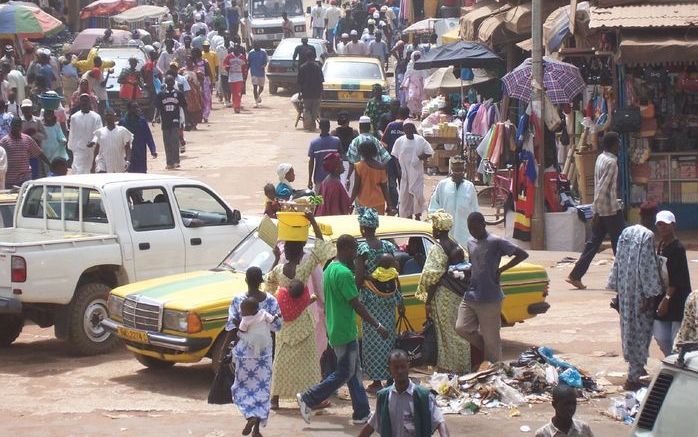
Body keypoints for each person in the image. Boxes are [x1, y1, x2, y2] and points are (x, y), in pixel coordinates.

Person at [297, 234, 389, 425]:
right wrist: (378, 325)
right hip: (344, 330)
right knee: (344, 372)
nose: (356, 254)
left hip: (336, 327)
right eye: (354, 249)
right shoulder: (344, 274)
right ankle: (308, 398)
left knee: (354, 372)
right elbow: (357, 305)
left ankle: (361, 413)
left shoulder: (331, 268)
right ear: (345, 249)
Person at [266, 213, 335, 410]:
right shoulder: (305, 267)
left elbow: (268, 284)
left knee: (281, 358)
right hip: (304, 320)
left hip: (284, 321)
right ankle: (313, 398)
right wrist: (313, 222)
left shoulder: (279, 270)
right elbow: (321, 247)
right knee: (309, 362)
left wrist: (275, 258)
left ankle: (275, 398)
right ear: (300, 250)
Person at [455, 212, 528, 366]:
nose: (473, 232)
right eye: (470, 229)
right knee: (461, 327)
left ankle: (495, 372)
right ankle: (486, 348)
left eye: (475, 228)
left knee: (492, 343)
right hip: (471, 295)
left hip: (490, 298)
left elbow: (522, 254)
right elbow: (473, 263)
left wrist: (501, 270)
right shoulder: (470, 242)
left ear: (484, 225)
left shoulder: (496, 241)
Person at [607, 203, 663, 391]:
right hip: (640, 292)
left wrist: (617, 291)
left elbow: (617, 262)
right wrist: (650, 295)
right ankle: (633, 376)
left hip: (625, 290)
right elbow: (646, 267)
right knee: (641, 332)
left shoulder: (626, 233)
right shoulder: (648, 236)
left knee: (628, 329)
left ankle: (635, 369)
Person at [225, 267, 282, 437]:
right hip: (264, 354)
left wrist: (224, 351)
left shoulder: (238, 300)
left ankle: (249, 415)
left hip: (244, 354)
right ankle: (256, 429)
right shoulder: (271, 301)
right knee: (262, 390)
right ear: (261, 281)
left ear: (246, 280)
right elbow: (278, 325)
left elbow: (231, 327)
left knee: (241, 387)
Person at [353, 208, 403, 393]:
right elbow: (395, 274)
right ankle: (391, 377)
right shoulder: (388, 247)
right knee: (388, 340)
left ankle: (376, 381)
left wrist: (364, 282)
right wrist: (400, 300)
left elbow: (358, 279)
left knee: (372, 342)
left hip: (371, 301)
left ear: (363, 228)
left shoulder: (363, 249)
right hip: (389, 300)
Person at [567, 132, 625, 290]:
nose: (619, 146)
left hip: (604, 208)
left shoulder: (600, 158)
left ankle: (575, 275)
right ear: (613, 145)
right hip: (610, 210)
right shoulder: (612, 162)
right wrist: (597, 212)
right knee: (621, 245)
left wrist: (596, 210)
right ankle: (622, 280)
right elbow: (602, 187)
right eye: (618, 144)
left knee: (593, 243)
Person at [415, 210, 471, 373]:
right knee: (457, 331)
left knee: (446, 333)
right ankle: (461, 366)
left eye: (433, 226)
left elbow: (431, 277)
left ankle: (450, 367)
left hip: (444, 295)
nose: (432, 229)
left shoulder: (438, 248)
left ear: (438, 229)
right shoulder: (456, 244)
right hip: (458, 294)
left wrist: (427, 300)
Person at [359, 349, 450, 437]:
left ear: (408, 366)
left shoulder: (424, 396)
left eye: (403, 367)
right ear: (389, 369)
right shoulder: (384, 397)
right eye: (396, 367)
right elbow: (371, 425)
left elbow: (440, 421)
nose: (400, 371)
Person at [653, 210, 692, 357]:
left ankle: (676, 362)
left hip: (676, 299)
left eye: (665, 224)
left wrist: (666, 300)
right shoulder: (661, 245)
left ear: (673, 225)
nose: (662, 227)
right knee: (661, 336)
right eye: (660, 224)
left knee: (676, 337)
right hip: (663, 296)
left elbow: (677, 278)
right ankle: (671, 359)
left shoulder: (677, 248)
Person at [428, 157, 479, 247]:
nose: (458, 173)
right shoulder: (443, 185)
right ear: (451, 171)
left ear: (464, 171)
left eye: (460, 171)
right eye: (455, 171)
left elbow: (475, 211)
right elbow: (434, 207)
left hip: (464, 234)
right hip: (445, 235)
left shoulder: (469, 187)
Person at [391, 120, 433, 220]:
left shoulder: (420, 140)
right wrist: (399, 169)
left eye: (410, 128)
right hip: (405, 174)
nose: (408, 130)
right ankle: (407, 215)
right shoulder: (400, 141)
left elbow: (429, 152)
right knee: (405, 195)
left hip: (417, 173)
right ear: (404, 130)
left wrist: (418, 158)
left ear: (413, 129)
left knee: (417, 194)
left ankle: (418, 215)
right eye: (406, 128)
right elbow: (395, 156)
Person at [0, 118, 49, 188]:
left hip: (25, 180)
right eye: (14, 125)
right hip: (10, 181)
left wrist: (50, 164)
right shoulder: (4, 141)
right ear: (11, 126)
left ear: (21, 127)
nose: (16, 128)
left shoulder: (27, 139)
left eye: (18, 126)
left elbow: (39, 153)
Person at [346, 116, 390, 190]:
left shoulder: (355, 141)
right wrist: (384, 175)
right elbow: (386, 159)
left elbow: (351, 162)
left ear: (360, 127)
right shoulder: (376, 141)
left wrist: (348, 177)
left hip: (360, 177)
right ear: (370, 127)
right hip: (376, 177)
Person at [154, 75, 186, 170]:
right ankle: (169, 162)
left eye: (172, 81)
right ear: (166, 83)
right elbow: (157, 107)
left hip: (175, 121)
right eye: (168, 82)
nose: (170, 83)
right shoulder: (161, 95)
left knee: (174, 141)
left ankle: (176, 161)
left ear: (174, 82)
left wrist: (186, 120)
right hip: (165, 122)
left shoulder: (178, 94)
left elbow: (184, 106)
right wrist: (155, 118)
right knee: (167, 142)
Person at [352, 141, 391, 214]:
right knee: (377, 224)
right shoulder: (381, 167)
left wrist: (350, 202)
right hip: (378, 202)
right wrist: (389, 205)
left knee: (363, 224)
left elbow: (356, 187)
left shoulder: (358, 166)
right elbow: (384, 187)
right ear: (374, 151)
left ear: (361, 152)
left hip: (363, 202)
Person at [67, 94, 103, 174]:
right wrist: (72, 149)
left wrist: (93, 141)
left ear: (89, 102)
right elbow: (72, 134)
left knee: (91, 171)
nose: (84, 102)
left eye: (86, 100)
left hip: (92, 150)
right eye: (82, 100)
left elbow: (99, 132)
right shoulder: (74, 117)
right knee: (78, 172)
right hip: (78, 151)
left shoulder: (96, 117)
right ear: (80, 102)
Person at [381, 106, 408, 209]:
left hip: (391, 160)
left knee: (392, 183)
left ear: (398, 115)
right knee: (404, 182)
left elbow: (383, 143)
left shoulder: (391, 125)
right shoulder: (409, 126)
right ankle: (403, 204)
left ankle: (394, 205)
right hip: (404, 160)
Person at [121, 101, 157, 173]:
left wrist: (153, 150)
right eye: (134, 107)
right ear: (129, 109)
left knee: (142, 172)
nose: (137, 109)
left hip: (140, 151)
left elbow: (148, 136)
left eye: (137, 107)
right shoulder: (123, 122)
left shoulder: (142, 121)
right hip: (128, 152)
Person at [307, 118, 341, 189]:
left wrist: (309, 179)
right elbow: (340, 160)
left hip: (319, 179)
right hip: (334, 179)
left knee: (319, 200)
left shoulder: (314, 143)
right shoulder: (336, 141)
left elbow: (311, 163)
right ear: (329, 127)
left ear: (319, 127)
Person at [315, 152, 351, 216]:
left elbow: (318, 202)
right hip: (331, 220)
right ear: (336, 168)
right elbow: (335, 208)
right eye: (341, 164)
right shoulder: (336, 185)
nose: (344, 166)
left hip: (322, 216)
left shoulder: (325, 181)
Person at [297, 52, 324, 131]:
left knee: (307, 109)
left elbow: (299, 82)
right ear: (313, 58)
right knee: (314, 110)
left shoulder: (302, 67)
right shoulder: (318, 67)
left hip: (306, 93)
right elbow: (321, 80)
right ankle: (312, 123)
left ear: (306, 57)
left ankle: (309, 124)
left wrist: (299, 93)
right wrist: (322, 92)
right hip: (316, 93)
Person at [401, 51, 427, 117]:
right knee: (411, 97)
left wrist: (426, 84)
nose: (417, 58)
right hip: (412, 84)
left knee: (420, 99)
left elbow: (425, 75)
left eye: (418, 57)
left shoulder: (423, 64)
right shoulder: (410, 64)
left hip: (420, 84)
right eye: (415, 57)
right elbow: (407, 74)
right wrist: (402, 84)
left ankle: (419, 114)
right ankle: (413, 113)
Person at [224, 44, 247, 113]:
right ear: (233, 49)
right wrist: (227, 67)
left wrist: (245, 75)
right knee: (234, 93)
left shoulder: (242, 57)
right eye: (236, 49)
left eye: (238, 49)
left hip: (239, 77)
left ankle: (237, 106)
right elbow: (224, 64)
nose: (237, 50)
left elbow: (245, 67)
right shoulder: (229, 56)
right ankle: (235, 106)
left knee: (238, 93)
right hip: (231, 77)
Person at [183, 58, 204, 130]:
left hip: (194, 93)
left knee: (195, 109)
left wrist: (201, 89)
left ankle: (194, 123)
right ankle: (188, 123)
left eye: (190, 60)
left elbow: (201, 80)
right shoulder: (182, 70)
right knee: (187, 108)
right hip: (186, 93)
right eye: (187, 60)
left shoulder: (197, 70)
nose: (188, 62)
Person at [247, 43, 268, 108]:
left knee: (261, 87)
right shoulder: (251, 53)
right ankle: (256, 102)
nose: (256, 47)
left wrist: (263, 66)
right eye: (255, 46)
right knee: (255, 87)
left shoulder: (263, 52)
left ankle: (258, 95)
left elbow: (266, 61)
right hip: (254, 72)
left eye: (258, 46)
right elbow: (248, 62)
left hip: (261, 73)